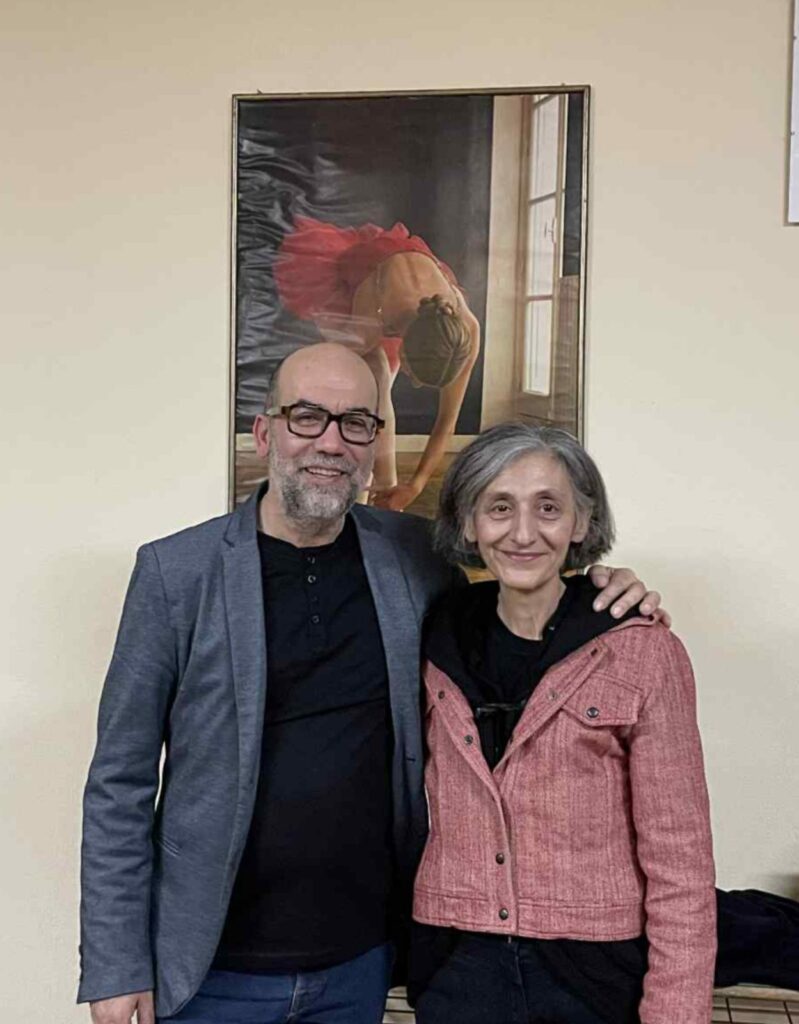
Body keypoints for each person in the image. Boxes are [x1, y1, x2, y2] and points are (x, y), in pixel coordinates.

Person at [78, 343, 661, 1024]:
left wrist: (601, 591)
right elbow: (119, 781)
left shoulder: (415, 559)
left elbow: (518, 614)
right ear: (264, 432)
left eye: (356, 422)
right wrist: (117, 963)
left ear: (374, 443)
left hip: (360, 962)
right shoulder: (175, 573)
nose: (331, 442)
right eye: (306, 417)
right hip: (209, 966)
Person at [410, 423, 717, 1024]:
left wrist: (677, 1011)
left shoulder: (642, 652)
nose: (524, 532)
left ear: (582, 522)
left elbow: (681, 861)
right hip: (457, 965)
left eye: (548, 507)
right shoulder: (428, 637)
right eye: (499, 507)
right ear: (469, 523)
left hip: (595, 975)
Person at [274, 216, 481, 511]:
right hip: (358, 275)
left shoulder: (465, 332)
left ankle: (383, 498)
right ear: (405, 345)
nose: (415, 384)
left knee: (379, 385)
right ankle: (378, 492)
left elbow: (446, 423)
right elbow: (353, 380)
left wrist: (415, 486)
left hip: (404, 285)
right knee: (377, 376)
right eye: (414, 373)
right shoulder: (374, 312)